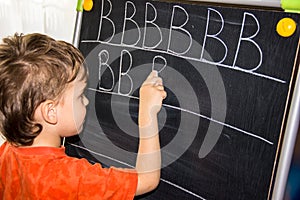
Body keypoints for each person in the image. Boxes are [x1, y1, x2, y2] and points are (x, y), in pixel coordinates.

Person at [0, 33, 167, 199]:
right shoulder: (67, 178)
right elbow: (147, 179)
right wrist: (147, 112)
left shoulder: (7, 153)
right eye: (80, 96)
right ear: (51, 112)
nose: (86, 102)